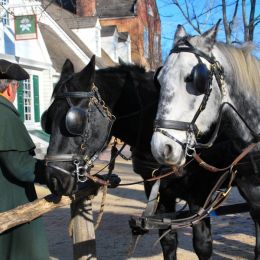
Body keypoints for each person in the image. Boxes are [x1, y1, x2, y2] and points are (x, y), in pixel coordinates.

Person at [0, 59, 49, 260]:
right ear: (10, 89)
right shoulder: (4, 115)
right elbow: (20, 166)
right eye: (17, 86)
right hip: (11, 204)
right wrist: (53, 172)